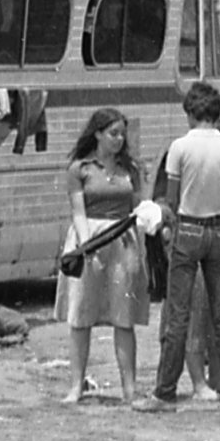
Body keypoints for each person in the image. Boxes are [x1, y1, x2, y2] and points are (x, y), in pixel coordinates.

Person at [151, 81, 220, 412]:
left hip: (189, 227)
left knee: (178, 314)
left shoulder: (180, 147)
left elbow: (172, 197)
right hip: (219, 229)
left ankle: (165, 390)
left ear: (190, 112)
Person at [56, 106, 155, 409]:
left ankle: (130, 389)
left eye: (122, 134)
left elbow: (138, 206)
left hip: (123, 240)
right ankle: (76, 386)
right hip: (89, 238)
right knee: (81, 315)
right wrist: (88, 247)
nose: (119, 139)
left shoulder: (130, 170)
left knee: (123, 317)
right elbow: (78, 212)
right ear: (97, 134)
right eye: (113, 134)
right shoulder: (80, 169)